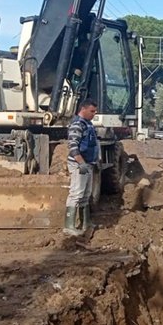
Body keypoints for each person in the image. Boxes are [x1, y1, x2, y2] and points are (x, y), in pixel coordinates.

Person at [63, 99, 99, 236]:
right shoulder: (77, 125)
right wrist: (81, 163)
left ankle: (86, 223)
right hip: (79, 164)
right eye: (92, 111)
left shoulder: (88, 124)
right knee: (76, 193)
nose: (94, 114)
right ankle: (69, 226)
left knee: (86, 194)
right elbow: (73, 147)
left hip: (88, 163)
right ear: (83, 109)